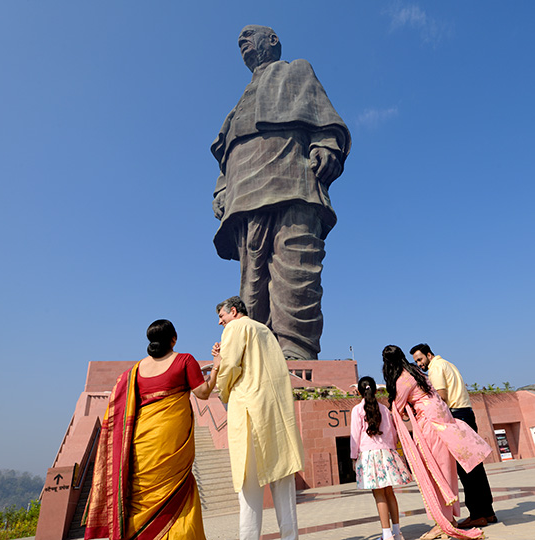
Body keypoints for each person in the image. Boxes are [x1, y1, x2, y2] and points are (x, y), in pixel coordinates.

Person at [210, 25, 351, 360]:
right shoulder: (240, 101)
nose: (242, 42)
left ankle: (296, 351)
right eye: (238, 40)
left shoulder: (296, 70)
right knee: (252, 275)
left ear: (272, 41)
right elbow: (228, 150)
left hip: (291, 176)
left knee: (295, 263)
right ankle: (255, 352)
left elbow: (323, 116)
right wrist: (223, 187)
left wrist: (326, 142)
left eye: (249, 35)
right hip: (245, 187)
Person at [83, 320, 220, 540]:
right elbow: (203, 392)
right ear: (173, 338)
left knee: (140, 493)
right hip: (170, 439)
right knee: (179, 487)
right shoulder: (185, 360)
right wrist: (217, 366)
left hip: (142, 440)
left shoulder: (135, 371)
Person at [212, 296, 305, 540]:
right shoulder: (264, 330)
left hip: (250, 413)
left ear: (233, 311)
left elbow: (231, 366)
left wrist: (220, 381)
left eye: (221, 317)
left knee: (249, 490)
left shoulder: (235, 327)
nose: (221, 323)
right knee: (284, 486)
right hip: (276, 414)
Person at [382, 345, 492, 540]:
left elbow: (396, 408)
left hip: (430, 424)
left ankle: (443, 522)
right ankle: (459, 517)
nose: (419, 363)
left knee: (435, 473)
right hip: (444, 419)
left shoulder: (403, 379)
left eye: (420, 359)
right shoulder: (417, 374)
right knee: (448, 471)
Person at [410, 344, 497, 528]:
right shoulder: (449, 364)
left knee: (465, 469)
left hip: (456, 416)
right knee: (475, 466)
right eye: (416, 361)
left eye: (420, 359)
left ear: (429, 354)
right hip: (466, 413)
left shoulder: (435, 368)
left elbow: (441, 396)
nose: (419, 364)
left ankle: (477, 514)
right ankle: (488, 512)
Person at [350, 376, 412, 540]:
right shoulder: (384, 408)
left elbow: (354, 436)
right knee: (390, 493)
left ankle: (386, 534)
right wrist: (392, 450)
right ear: (376, 391)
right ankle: (397, 533)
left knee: (379, 495)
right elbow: (393, 433)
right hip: (387, 453)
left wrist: (353, 457)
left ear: (359, 392)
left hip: (369, 456)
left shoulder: (357, 410)